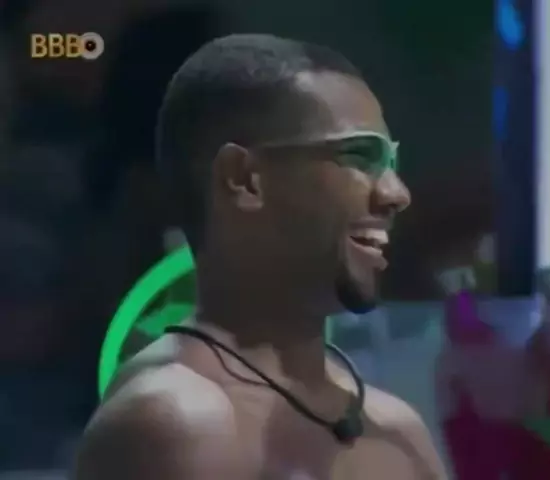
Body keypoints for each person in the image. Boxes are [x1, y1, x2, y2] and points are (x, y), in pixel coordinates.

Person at [72, 34, 447, 480]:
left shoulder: (399, 430)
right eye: (359, 156)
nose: (396, 193)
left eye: (391, 163)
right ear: (244, 179)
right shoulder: (177, 423)